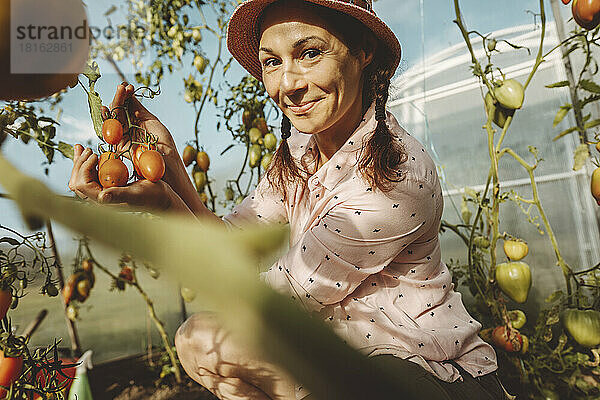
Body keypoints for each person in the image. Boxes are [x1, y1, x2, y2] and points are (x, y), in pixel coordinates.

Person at [68, 0, 509, 399]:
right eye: (271, 63)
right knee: (199, 341)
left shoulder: (395, 176)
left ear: (363, 50)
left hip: (426, 377)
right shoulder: (300, 154)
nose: (288, 84)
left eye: (310, 53)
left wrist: (163, 206)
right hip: (342, 362)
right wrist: (168, 167)